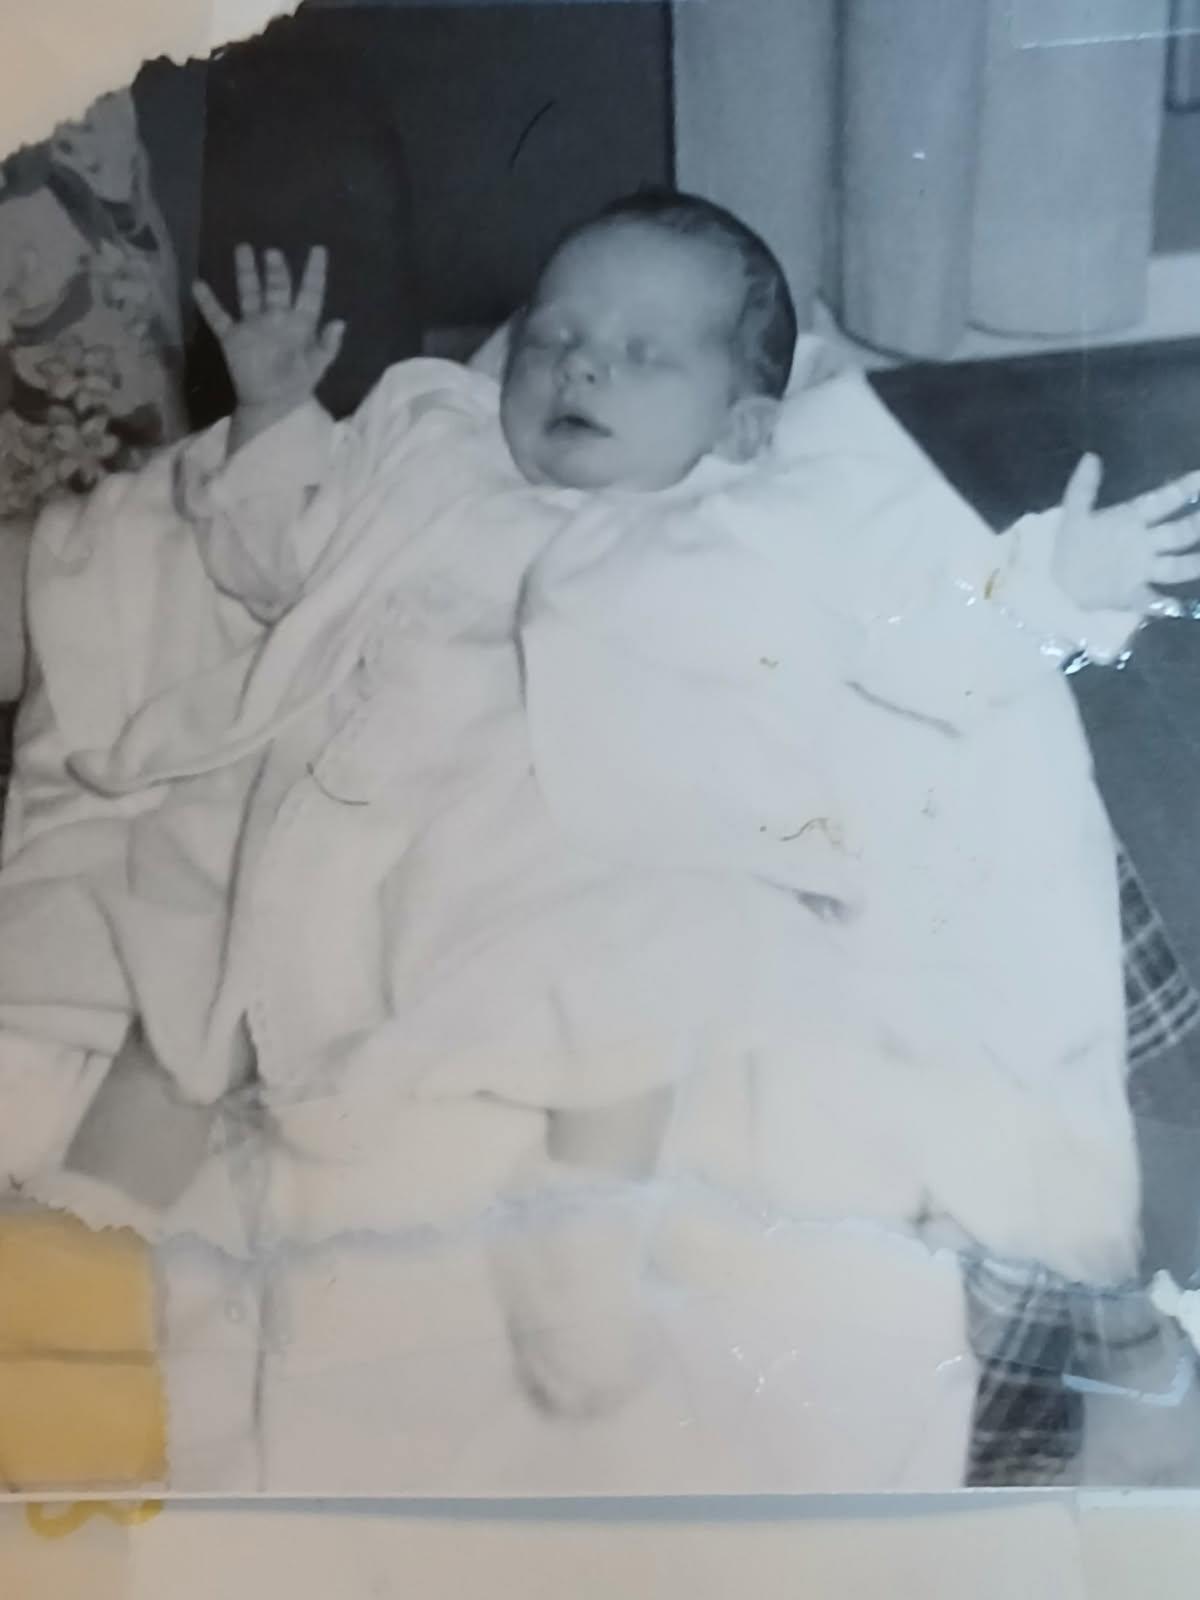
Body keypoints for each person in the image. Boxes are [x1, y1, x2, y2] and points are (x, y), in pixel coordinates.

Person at [5, 191, 1200, 1482]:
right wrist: (275, 418)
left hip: (582, 830)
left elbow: (918, 638)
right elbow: (273, 560)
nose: (578, 364)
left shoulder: (750, 525)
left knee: (660, 955)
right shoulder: (428, 463)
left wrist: (1045, 588)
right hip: (352, 817)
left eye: (642, 354)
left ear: (743, 425)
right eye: (553, 337)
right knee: (179, 954)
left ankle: (582, 1226)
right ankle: (76, 1272)